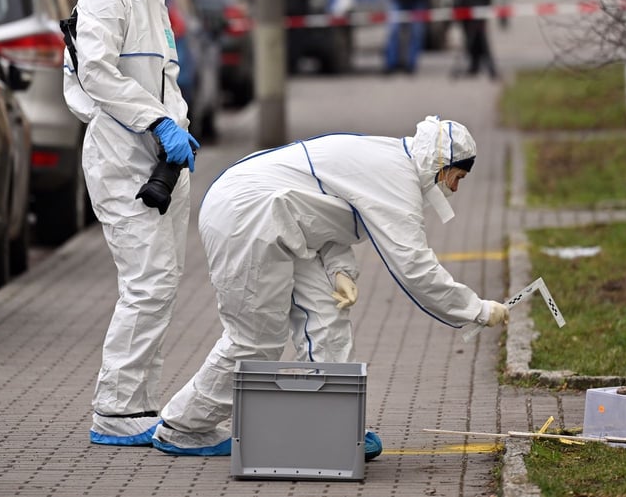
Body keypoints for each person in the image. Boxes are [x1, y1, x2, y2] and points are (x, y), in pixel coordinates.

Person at [151, 115, 510, 457]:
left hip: (278, 216)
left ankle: (332, 428)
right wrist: (476, 309)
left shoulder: (392, 160)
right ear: (441, 165)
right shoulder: (398, 180)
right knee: (255, 340)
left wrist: (340, 271)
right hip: (247, 214)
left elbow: (325, 204)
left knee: (327, 317)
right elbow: (415, 268)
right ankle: (182, 426)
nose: (456, 188)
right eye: (458, 177)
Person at [63, 0, 199, 446]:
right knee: (147, 283)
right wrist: (158, 122)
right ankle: (115, 410)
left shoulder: (154, 0)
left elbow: (166, 78)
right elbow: (96, 74)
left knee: (162, 284)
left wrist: (180, 127)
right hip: (121, 161)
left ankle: (138, 403)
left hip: (161, 160)